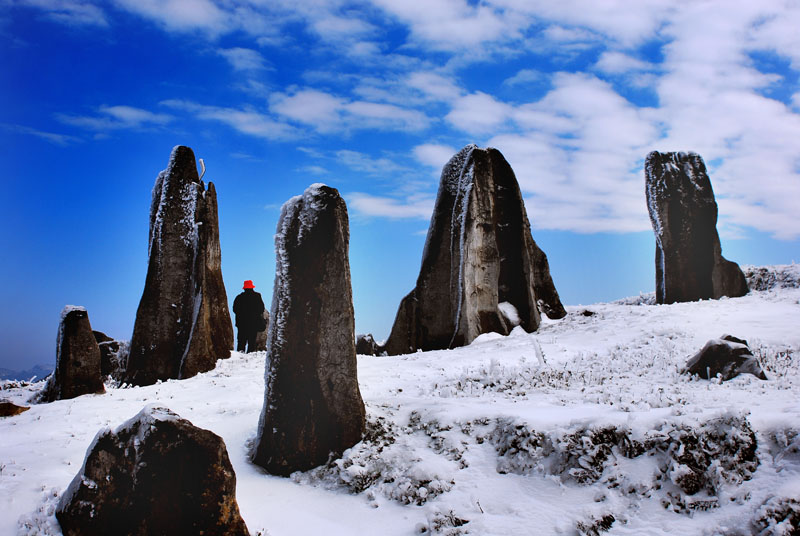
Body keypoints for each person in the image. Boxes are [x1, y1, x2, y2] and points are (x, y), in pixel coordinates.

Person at [232, 280, 265, 353]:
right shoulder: (257, 296)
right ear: (252, 287)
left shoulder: (239, 297)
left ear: (244, 288)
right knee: (251, 342)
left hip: (242, 324)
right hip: (253, 323)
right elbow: (261, 309)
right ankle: (250, 358)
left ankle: (240, 358)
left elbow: (235, 309)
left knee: (241, 342)